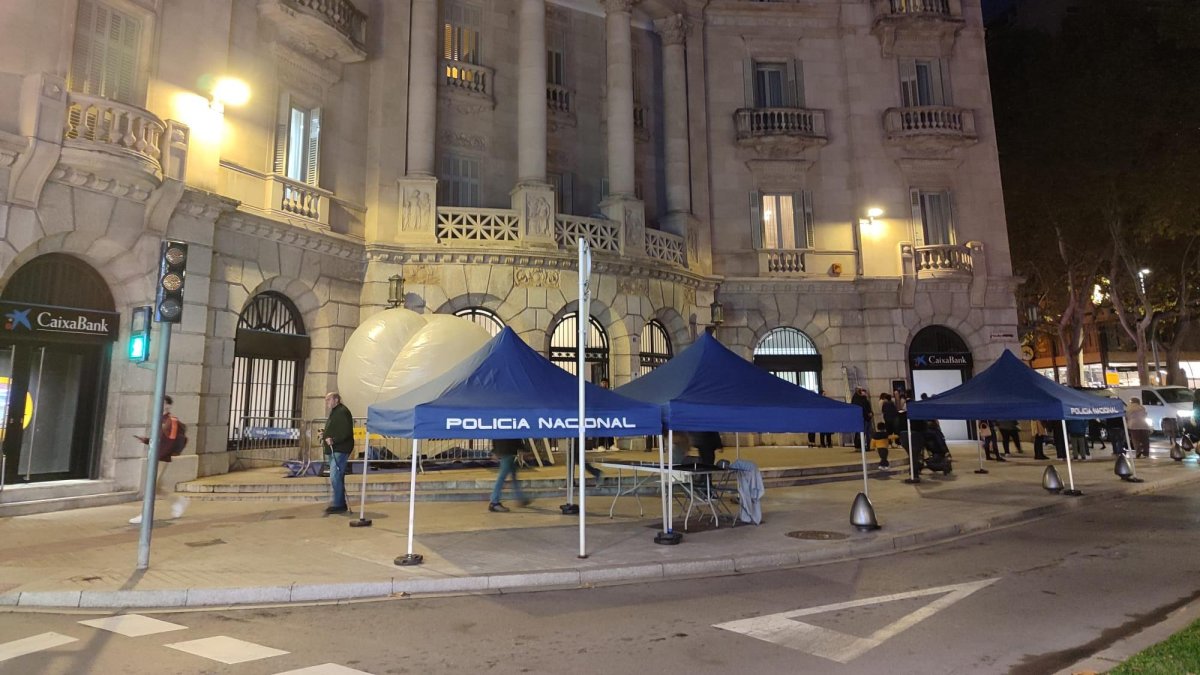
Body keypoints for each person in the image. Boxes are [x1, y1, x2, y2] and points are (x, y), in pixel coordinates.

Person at [129, 395, 188, 524]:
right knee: (156, 486)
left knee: (151, 486)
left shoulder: (171, 420)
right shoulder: (160, 419)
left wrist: (160, 454)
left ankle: (145, 514)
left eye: (163, 403)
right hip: (157, 455)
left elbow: (170, 441)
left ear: (168, 405)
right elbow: (160, 440)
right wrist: (146, 440)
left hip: (161, 457)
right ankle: (178, 501)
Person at [323, 391, 354, 514]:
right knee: (337, 476)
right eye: (326, 400)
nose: (327, 402)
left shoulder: (342, 412)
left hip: (339, 448)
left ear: (336, 400)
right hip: (334, 448)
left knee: (335, 476)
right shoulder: (335, 412)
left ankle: (339, 504)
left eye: (329, 400)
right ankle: (339, 502)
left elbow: (346, 432)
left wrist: (333, 439)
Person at [489, 438, 531, 512]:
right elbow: (515, 434)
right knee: (502, 476)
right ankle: (494, 502)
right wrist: (523, 448)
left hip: (506, 450)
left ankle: (520, 497)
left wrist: (494, 450)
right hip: (507, 450)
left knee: (513, 475)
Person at [596, 378, 616, 450]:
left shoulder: (609, 392)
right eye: (603, 382)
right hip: (601, 413)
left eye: (605, 383)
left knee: (610, 428)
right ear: (600, 383)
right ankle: (600, 445)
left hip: (608, 413)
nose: (604, 384)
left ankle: (611, 444)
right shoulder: (597, 392)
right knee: (601, 428)